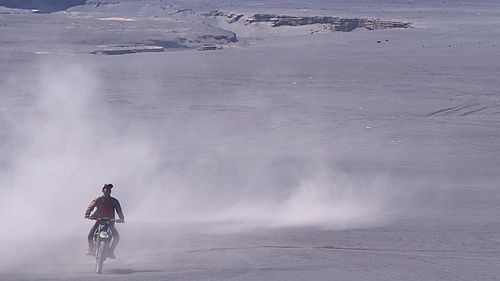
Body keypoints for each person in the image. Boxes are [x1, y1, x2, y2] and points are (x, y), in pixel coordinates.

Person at [85, 183, 125, 258]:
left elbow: (119, 211)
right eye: (106, 189)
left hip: (110, 222)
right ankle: (91, 248)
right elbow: (91, 206)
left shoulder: (114, 201)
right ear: (103, 190)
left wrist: (121, 219)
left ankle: (111, 251)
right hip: (99, 221)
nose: (108, 190)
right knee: (90, 235)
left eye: (109, 189)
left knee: (116, 237)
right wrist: (87, 214)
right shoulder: (98, 199)